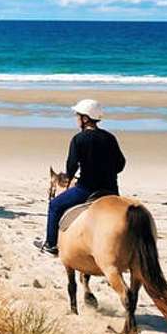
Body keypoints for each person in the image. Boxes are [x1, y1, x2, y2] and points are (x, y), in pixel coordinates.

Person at [35, 98, 125, 256]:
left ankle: (50, 245)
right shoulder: (110, 137)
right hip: (111, 190)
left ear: (85, 118)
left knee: (55, 205)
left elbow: (71, 167)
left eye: (78, 116)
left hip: (86, 189)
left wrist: (70, 177)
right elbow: (121, 164)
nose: (76, 119)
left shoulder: (78, 139)